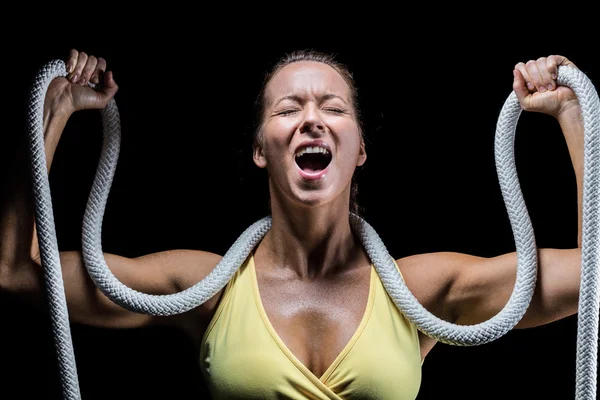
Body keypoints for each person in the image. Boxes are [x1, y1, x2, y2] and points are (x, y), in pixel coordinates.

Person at [0, 48, 585, 399]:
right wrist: (49, 120)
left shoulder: (417, 293)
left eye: (333, 108)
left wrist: (573, 118)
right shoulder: (207, 289)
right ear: (261, 148)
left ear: (359, 149)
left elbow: (590, 280)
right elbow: (21, 273)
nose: (311, 120)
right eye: (288, 109)